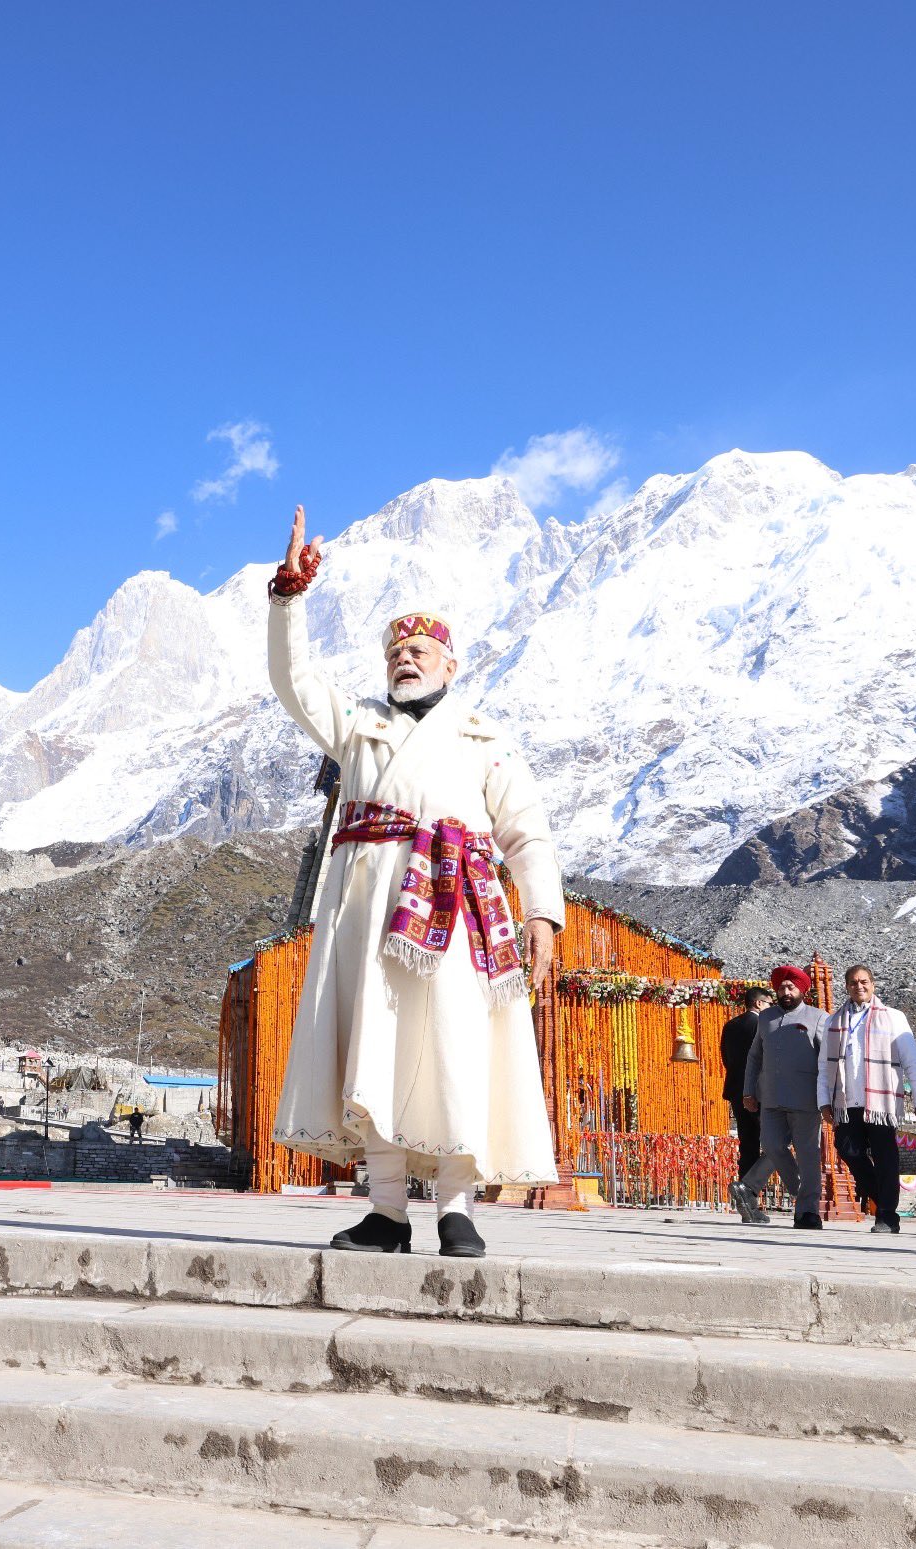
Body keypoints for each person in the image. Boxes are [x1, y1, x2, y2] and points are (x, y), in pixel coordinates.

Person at [267, 505, 564, 1258]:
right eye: (397, 649)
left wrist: (542, 916)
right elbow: (291, 679)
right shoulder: (356, 725)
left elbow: (525, 831)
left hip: (457, 913)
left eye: (422, 649)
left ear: (450, 663)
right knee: (379, 1046)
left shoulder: (485, 739)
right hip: (368, 916)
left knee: (456, 1046)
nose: (407, 656)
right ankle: (388, 1211)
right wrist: (288, 598)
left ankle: (458, 1208)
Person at [818, 964, 916, 1235]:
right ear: (846, 986)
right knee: (848, 1150)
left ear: (873, 984)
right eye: (854, 982)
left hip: (881, 1102)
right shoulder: (834, 1021)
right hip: (847, 1102)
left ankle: (886, 1216)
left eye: (864, 981)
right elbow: (825, 1066)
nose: (860, 986)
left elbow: (912, 1061)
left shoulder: (893, 1017)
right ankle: (884, 1202)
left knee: (885, 1157)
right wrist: (824, 1100)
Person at [729, 964, 829, 1229]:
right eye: (782, 987)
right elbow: (754, 1057)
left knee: (808, 1155)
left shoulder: (819, 1018)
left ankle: (808, 1213)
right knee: (773, 1147)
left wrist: (829, 1098)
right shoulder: (766, 1018)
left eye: (791, 987)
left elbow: (828, 1062)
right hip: (770, 1099)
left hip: (807, 1100)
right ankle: (804, 1198)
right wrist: (748, 1091)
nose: (786, 991)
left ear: (802, 990)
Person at [719, 987, 773, 1178]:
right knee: (774, 1142)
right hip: (760, 1092)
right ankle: (753, 1183)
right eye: (769, 1003)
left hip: (736, 1091)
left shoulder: (731, 1025)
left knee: (747, 1141)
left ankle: (745, 1187)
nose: (771, 1008)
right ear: (759, 1003)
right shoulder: (763, 1025)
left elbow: (725, 1058)